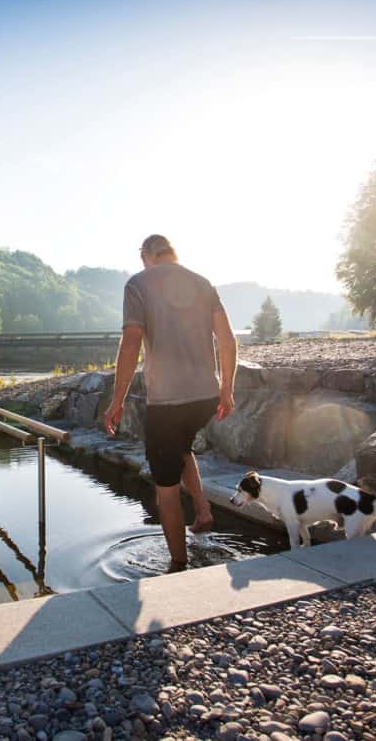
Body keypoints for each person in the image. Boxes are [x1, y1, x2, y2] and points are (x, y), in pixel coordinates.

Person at [104, 234, 237, 569]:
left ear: (147, 255)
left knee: (165, 487)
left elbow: (131, 341)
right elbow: (227, 339)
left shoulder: (137, 284)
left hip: (167, 401)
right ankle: (203, 511)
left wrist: (117, 400)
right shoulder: (202, 282)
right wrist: (227, 389)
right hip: (206, 396)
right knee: (181, 445)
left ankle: (178, 565)